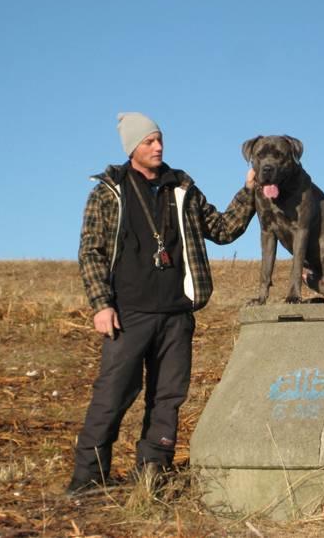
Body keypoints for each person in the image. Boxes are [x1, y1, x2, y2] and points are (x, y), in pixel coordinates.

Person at [67, 112, 256, 494]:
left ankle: (152, 471)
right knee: (114, 393)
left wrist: (249, 190)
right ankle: (88, 478)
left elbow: (222, 229)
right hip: (128, 313)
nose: (158, 146)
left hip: (176, 313)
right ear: (131, 147)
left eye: (159, 139)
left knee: (168, 397)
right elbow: (91, 251)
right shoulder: (109, 191)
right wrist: (101, 304)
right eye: (149, 141)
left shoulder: (181, 187)